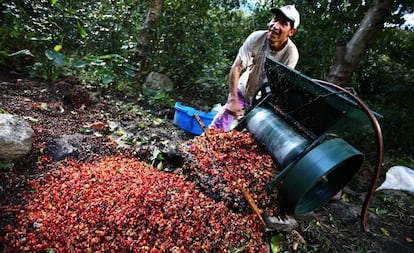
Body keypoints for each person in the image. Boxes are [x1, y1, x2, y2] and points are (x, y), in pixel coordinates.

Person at [209, 5, 300, 131]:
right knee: (217, 128)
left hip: (262, 102)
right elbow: (237, 66)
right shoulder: (257, 37)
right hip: (244, 90)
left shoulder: (291, 54)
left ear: (291, 32)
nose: (275, 26)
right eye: (275, 19)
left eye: (283, 23)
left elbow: (279, 88)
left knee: (243, 138)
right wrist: (233, 99)